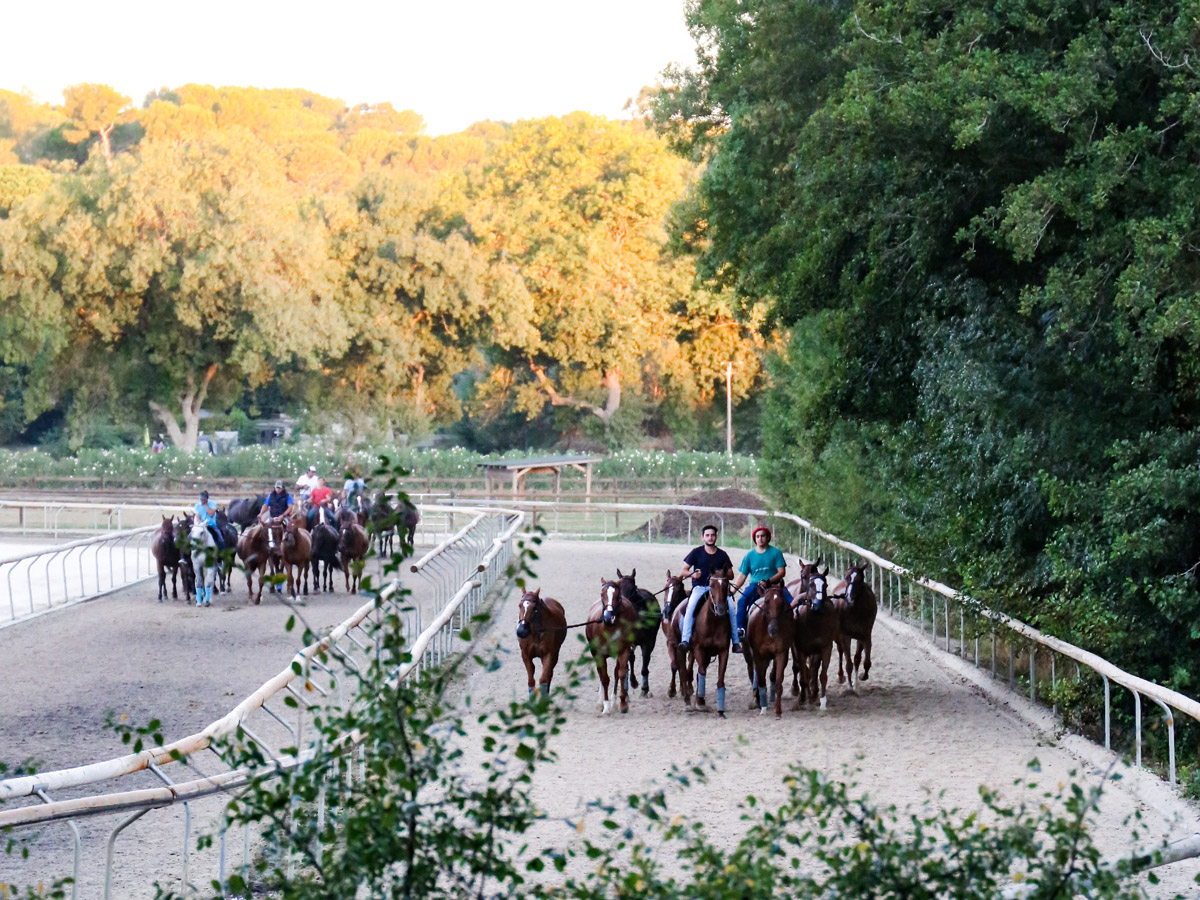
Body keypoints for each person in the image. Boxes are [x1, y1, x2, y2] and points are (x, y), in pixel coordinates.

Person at [730, 526, 790, 652]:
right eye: (757, 536)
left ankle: (796, 627)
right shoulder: (749, 555)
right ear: (754, 539)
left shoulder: (776, 552)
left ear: (768, 537)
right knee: (741, 601)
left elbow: (781, 572)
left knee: (792, 601)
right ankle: (740, 629)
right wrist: (734, 590)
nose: (760, 538)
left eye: (762, 536)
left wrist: (768, 580)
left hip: (773, 585)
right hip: (755, 585)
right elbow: (742, 575)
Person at [677, 524, 734, 653]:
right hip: (700, 588)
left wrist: (721, 574)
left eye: (712, 535)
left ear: (716, 537)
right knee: (690, 607)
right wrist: (692, 574)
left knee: (731, 607)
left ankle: (735, 641)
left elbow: (731, 574)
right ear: (703, 537)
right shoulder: (696, 552)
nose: (710, 537)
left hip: (718, 589)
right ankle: (685, 640)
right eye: (707, 535)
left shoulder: (722, 555)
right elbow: (683, 570)